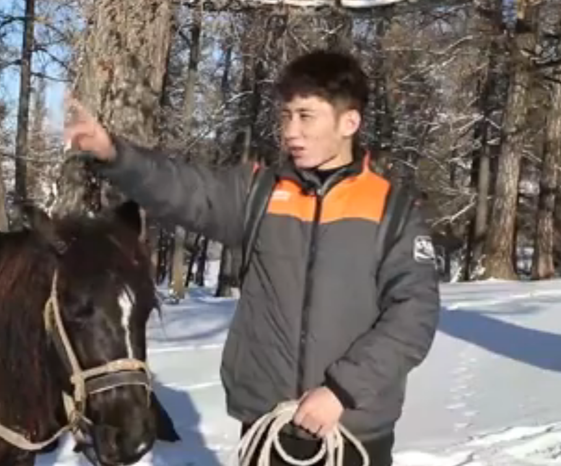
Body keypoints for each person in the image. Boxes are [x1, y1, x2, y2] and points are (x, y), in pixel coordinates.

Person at [64, 49, 441, 466]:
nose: (290, 132)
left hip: (352, 431)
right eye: (286, 116)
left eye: (305, 116)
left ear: (349, 122)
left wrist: (341, 391)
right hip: (267, 425)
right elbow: (183, 189)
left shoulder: (392, 210)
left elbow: (413, 316)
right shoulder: (260, 193)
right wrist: (114, 154)